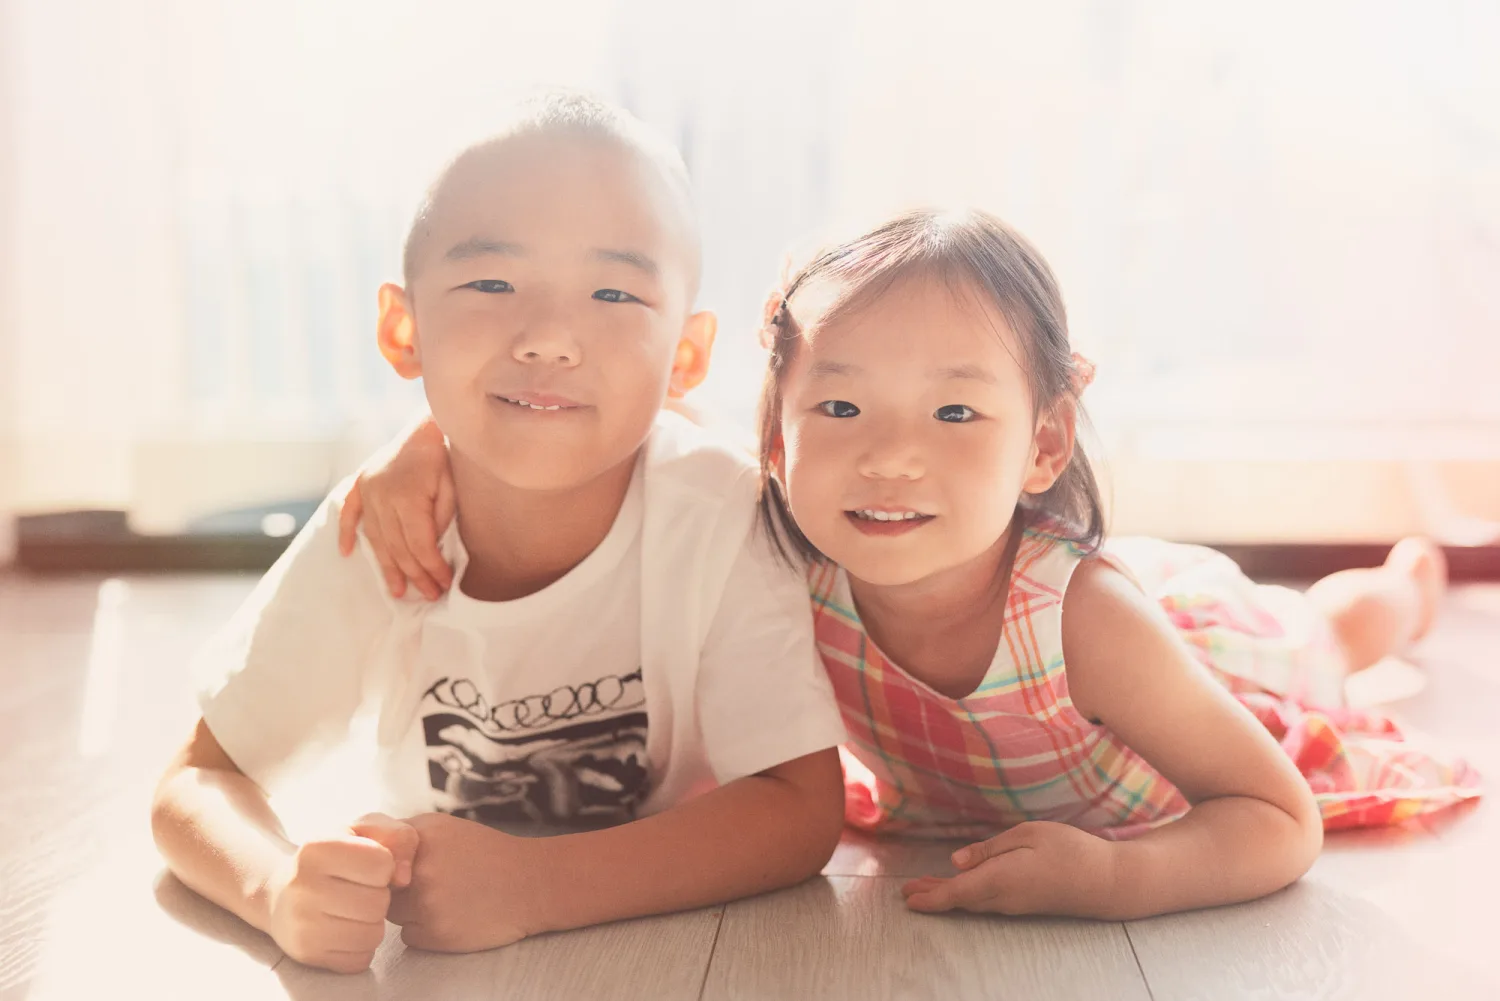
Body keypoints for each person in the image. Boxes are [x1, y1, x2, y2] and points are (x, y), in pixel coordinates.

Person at [346, 208, 1478, 923]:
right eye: (840, 407)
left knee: (1327, 638)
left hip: (1206, 662)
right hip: (998, 758)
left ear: (1044, 444)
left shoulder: (1091, 623)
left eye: (954, 411)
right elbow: (609, 431)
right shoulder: (782, 548)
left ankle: (1400, 591)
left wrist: (1117, 878)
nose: (890, 455)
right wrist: (426, 444)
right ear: (776, 438)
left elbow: (1278, 816)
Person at [150, 93, 847, 975]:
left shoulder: (720, 515)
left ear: (686, 356)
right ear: (403, 329)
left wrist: (534, 886)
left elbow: (799, 806)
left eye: (613, 292)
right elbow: (196, 779)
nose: (549, 338)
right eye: (491, 284)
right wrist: (276, 887)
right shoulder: (386, 524)